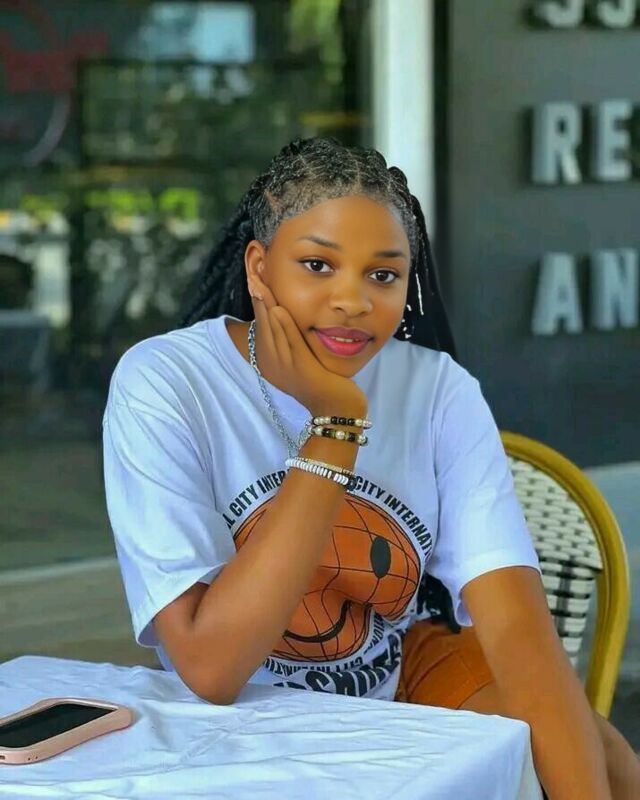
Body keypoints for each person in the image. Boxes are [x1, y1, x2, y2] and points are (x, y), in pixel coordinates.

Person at [102, 137, 639, 799]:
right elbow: (213, 669)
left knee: (602, 760)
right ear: (259, 269)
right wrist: (335, 428)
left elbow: (519, 634)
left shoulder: (437, 389)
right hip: (242, 709)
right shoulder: (166, 382)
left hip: (404, 671)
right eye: (318, 265)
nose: (352, 300)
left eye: (382, 275)